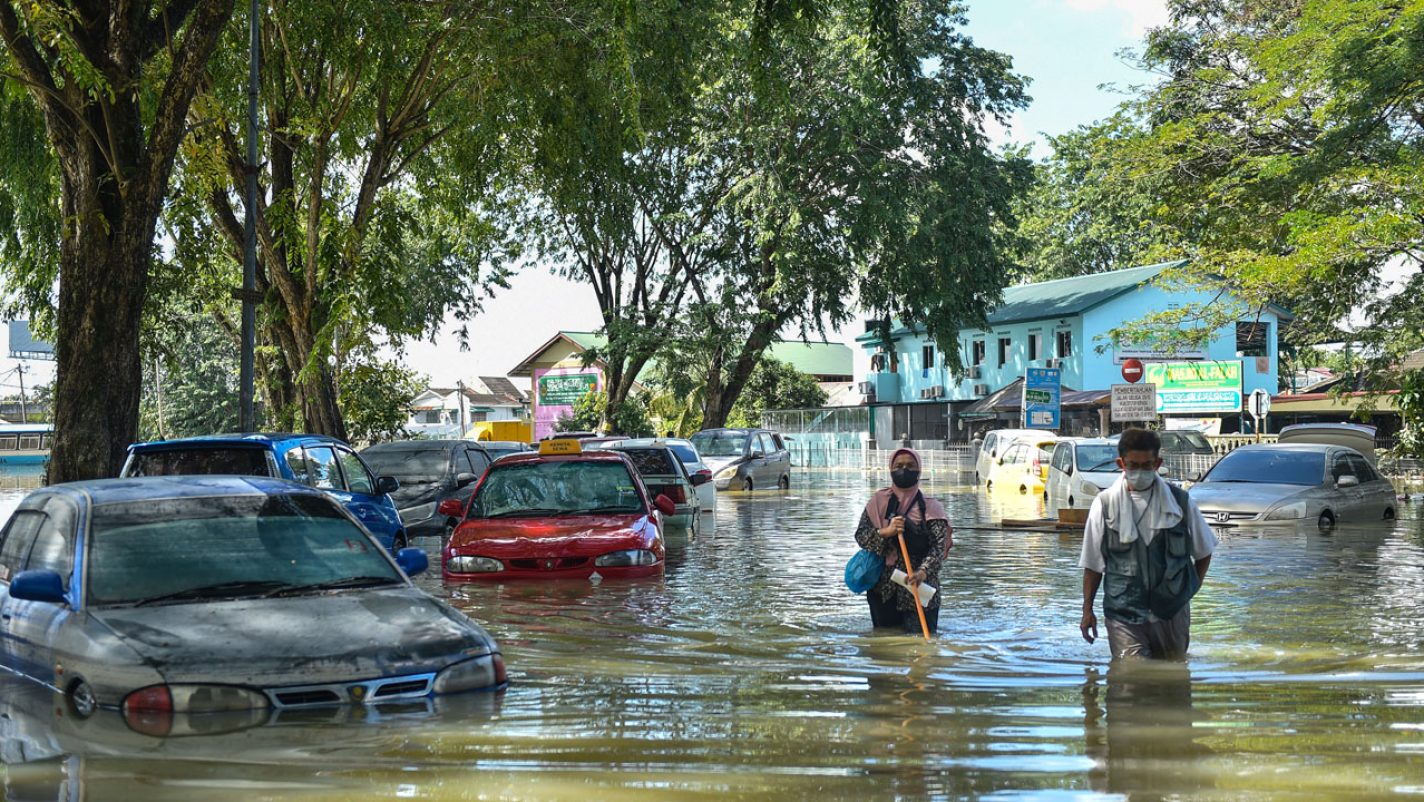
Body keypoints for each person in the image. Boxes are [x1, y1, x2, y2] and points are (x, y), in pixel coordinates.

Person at [1079, 428, 1216, 660]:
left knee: (1173, 681)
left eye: (1147, 465)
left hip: (1172, 612)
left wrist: (1187, 592)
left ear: (1158, 463)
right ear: (1121, 463)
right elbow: (1093, 565)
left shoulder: (1180, 503)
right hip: (1123, 613)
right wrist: (1087, 610)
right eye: (1133, 465)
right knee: (1130, 678)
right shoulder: (1104, 505)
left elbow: (1204, 552)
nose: (1139, 472)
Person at [854, 448, 953, 634]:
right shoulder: (878, 502)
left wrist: (922, 572)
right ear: (890, 469)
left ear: (919, 470)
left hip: (921, 589)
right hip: (884, 590)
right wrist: (886, 531)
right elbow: (861, 536)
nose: (904, 470)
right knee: (886, 646)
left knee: (921, 645)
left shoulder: (932, 507)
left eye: (910, 466)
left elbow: (938, 549)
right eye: (898, 466)